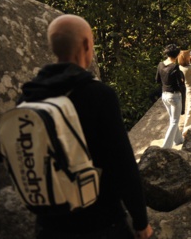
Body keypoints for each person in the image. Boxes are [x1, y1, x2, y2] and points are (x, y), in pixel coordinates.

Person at [19, 14, 153, 239]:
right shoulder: (98, 94)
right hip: (100, 222)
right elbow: (123, 165)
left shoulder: (28, 96)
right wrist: (141, 222)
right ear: (86, 45)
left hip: (48, 223)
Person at [156, 43, 185, 148]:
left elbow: (157, 80)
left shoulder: (160, 64)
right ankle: (166, 147)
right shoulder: (175, 66)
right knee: (175, 121)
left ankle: (179, 139)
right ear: (177, 55)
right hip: (174, 96)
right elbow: (180, 83)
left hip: (164, 95)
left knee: (172, 118)